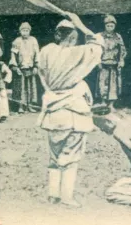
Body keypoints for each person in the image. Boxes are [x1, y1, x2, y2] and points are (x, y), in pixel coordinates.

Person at [36, 13, 104, 208]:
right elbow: (99, 43)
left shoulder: (47, 51)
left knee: (55, 155)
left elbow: (41, 71)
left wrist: (51, 89)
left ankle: (53, 194)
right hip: (73, 112)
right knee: (71, 156)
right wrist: (81, 25)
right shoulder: (78, 52)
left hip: (53, 110)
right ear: (73, 37)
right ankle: (66, 196)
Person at [95, 15, 127, 112]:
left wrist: (121, 60)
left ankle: (111, 104)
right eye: (108, 26)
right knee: (102, 82)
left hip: (114, 64)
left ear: (114, 26)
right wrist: (98, 61)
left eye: (111, 26)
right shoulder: (99, 36)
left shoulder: (118, 37)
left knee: (114, 84)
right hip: (103, 63)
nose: (110, 28)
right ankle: (103, 102)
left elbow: (122, 50)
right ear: (105, 26)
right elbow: (96, 50)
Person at [9, 22, 40, 113]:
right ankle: (20, 106)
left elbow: (37, 53)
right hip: (21, 68)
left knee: (31, 87)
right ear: (20, 31)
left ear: (29, 31)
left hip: (30, 67)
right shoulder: (17, 41)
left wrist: (36, 66)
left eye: (27, 30)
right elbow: (13, 54)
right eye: (23, 30)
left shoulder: (33, 40)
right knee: (21, 87)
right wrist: (14, 66)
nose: (25, 33)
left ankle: (30, 105)